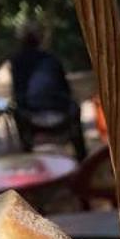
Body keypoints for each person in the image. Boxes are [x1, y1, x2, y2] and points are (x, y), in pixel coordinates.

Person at [8, 23, 86, 157]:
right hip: (61, 113)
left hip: (30, 116)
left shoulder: (16, 62)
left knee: (15, 109)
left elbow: (18, 91)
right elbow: (65, 88)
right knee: (75, 107)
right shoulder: (52, 59)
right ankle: (82, 156)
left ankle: (26, 152)